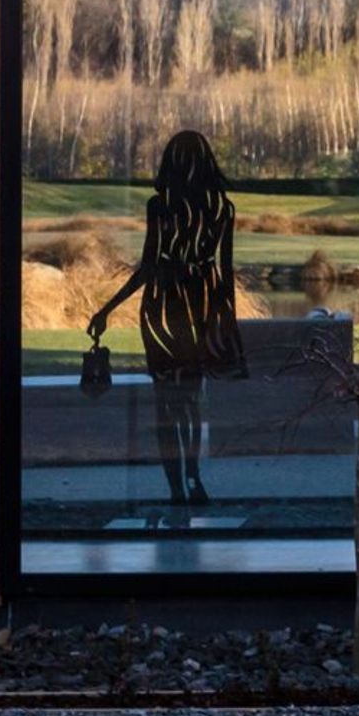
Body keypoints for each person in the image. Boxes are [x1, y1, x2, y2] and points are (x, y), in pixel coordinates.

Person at [88, 130, 248, 506]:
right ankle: (193, 477)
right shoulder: (223, 208)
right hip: (200, 306)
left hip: (161, 306)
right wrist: (224, 326)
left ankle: (175, 485)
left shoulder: (160, 205)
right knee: (191, 400)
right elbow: (224, 275)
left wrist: (107, 309)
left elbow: (148, 267)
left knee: (165, 403)